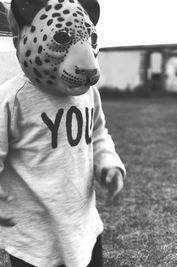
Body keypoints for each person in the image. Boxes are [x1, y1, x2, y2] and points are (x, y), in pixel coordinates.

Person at [0, 0, 126, 266]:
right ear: (19, 39)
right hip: (34, 243)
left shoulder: (89, 92)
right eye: (60, 38)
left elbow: (99, 132)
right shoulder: (12, 99)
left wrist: (109, 163)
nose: (89, 65)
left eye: (90, 38)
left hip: (85, 229)